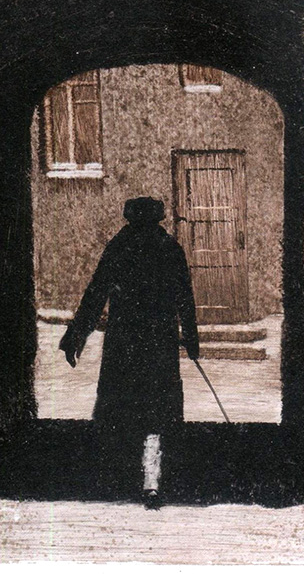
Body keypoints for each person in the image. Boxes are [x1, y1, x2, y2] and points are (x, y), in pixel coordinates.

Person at [59, 196, 199, 507]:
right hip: (158, 340)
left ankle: (119, 478)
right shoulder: (170, 248)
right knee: (156, 410)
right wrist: (191, 338)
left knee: (119, 405)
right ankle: (152, 480)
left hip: (125, 340)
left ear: (130, 218)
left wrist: (75, 335)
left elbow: (96, 293)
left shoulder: (119, 247)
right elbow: (185, 298)